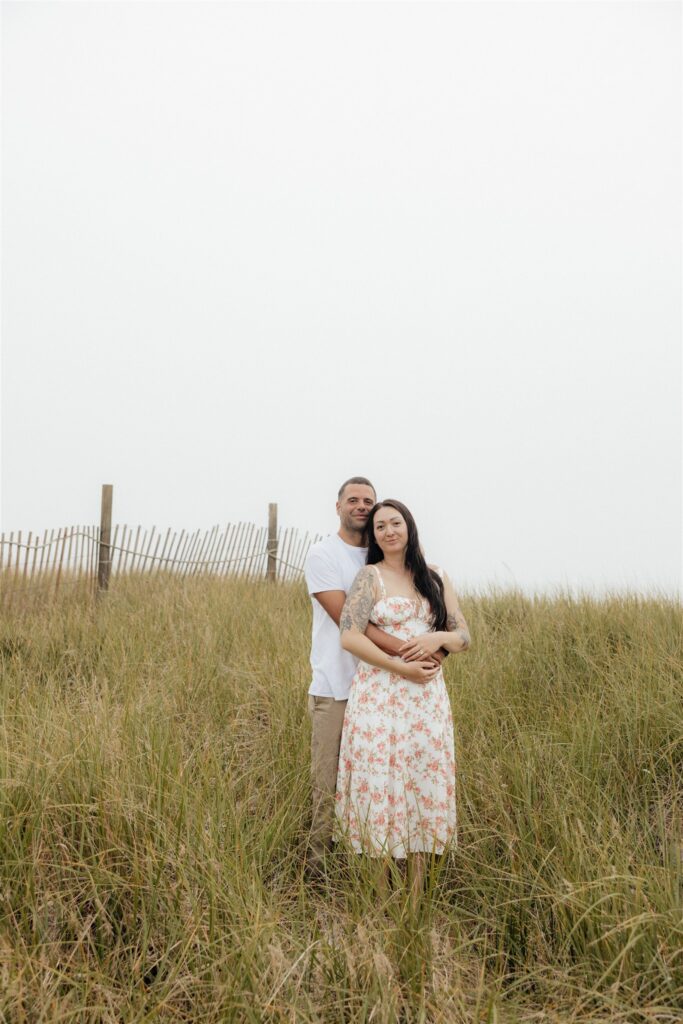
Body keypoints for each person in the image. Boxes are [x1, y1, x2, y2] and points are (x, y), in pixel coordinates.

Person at [304, 479, 444, 876]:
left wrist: (437, 643)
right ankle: (319, 876)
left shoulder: (379, 555)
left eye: (369, 500)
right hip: (338, 686)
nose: (362, 507)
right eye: (354, 500)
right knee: (329, 784)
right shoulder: (324, 555)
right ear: (338, 507)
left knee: (385, 783)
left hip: (386, 695)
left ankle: (375, 871)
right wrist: (413, 650)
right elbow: (351, 625)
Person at [335, 498, 470, 900]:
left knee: (422, 783)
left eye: (395, 523)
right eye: (380, 527)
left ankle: (415, 900)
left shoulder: (437, 576)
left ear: (409, 526)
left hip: (426, 703)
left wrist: (437, 638)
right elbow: (349, 635)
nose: (388, 531)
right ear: (374, 536)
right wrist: (401, 667)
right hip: (379, 695)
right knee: (381, 784)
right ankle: (380, 900)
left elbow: (464, 636)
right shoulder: (369, 577)